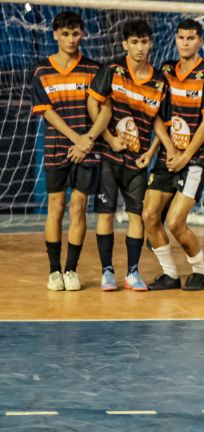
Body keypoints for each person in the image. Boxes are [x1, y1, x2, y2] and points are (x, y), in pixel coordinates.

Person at [87, 20, 172, 291]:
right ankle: (107, 272)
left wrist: (150, 151)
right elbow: (93, 102)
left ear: (151, 43)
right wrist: (109, 139)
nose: (139, 47)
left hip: (137, 161)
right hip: (109, 158)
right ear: (125, 44)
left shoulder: (160, 81)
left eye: (144, 41)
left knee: (136, 216)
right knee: (106, 215)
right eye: (134, 42)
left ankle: (133, 273)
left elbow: (160, 121)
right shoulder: (112, 70)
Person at [31, 11, 111, 291]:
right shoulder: (42, 70)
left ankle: (71, 270)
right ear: (55, 35)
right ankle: (54, 271)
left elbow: (105, 111)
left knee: (78, 208)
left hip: (88, 148)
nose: (70, 39)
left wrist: (87, 140)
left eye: (75, 33)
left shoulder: (95, 69)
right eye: (65, 34)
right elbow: (47, 113)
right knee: (56, 207)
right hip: (57, 148)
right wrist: (76, 139)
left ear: (83, 34)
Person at [143, 19, 204, 291]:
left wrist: (185, 156)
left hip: (195, 161)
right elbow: (155, 115)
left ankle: (200, 271)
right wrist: (169, 149)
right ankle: (170, 275)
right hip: (168, 155)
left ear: (200, 41)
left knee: (175, 222)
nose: (185, 42)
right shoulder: (165, 69)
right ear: (175, 39)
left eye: (191, 38)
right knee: (150, 216)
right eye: (181, 38)